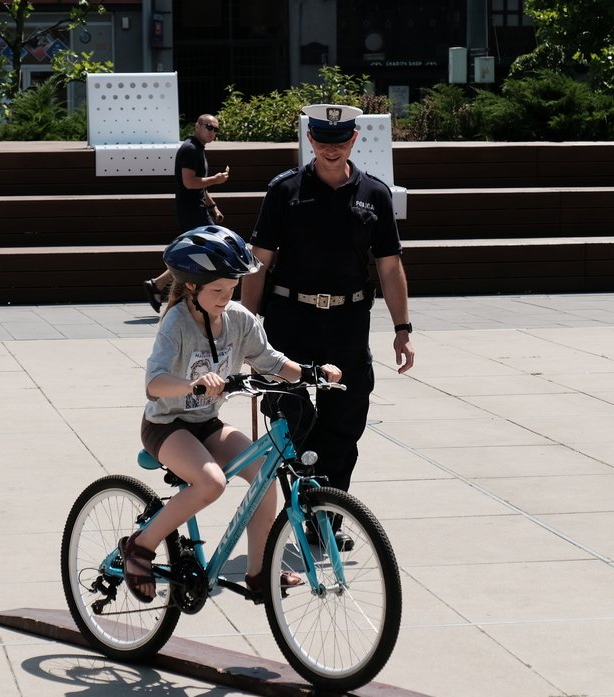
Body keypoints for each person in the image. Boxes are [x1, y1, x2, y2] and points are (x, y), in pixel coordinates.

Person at [123, 224, 342, 604]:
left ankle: (259, 572)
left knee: (265, 475)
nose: (226, 298)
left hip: (207, 422)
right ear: (191, 287)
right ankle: (140, 547)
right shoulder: (176, 323)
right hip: (166, 425)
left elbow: (270, 361)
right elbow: (154, 383)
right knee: (211, 483)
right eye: (217, 291)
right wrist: (191, 384)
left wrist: (311, 373)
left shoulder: (239, 319)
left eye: (232, 288)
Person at [240, 103, 415, 541]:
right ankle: (305, 513)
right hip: (290, 321)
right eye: (322, 140)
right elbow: (259, 263)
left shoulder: (374, 194)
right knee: (292, 419)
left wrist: (403, 329)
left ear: (354, 139)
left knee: (344, 426)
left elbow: (390, 266)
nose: (331, 149)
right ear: (310, 139)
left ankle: (326, 522)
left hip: (347, 325)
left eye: (339, 140)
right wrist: (246, 329)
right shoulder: (284, 191)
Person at [143, 114, 230, 313]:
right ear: (197, 126)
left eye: (216, 129)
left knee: (198, 252)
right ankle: (164, 287)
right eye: (209, 127)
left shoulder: (197, 149)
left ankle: (158, 285)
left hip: (197, 209)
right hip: (191, 211)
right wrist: (216, 180)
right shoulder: (191, 149)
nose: (212, 132)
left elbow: (199, 186)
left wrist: (213, 206)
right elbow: (189, 182)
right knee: (204, 251)